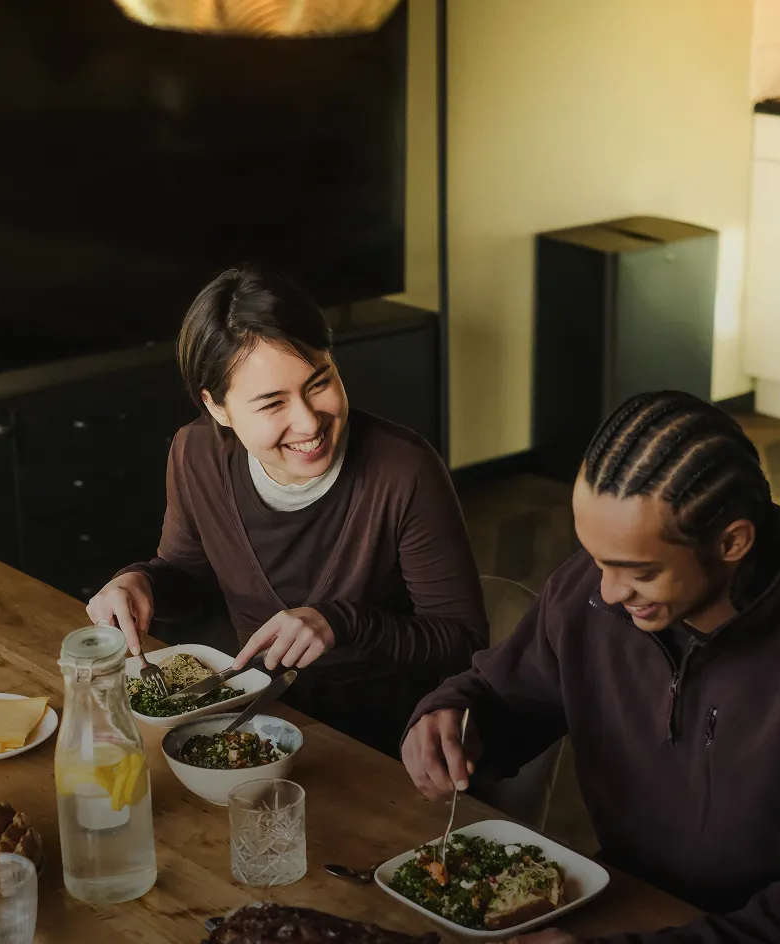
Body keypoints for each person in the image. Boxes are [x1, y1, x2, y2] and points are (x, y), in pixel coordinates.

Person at [402, 390, 780, 944]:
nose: (606, 591)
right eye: (596, 558)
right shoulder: (593, 593)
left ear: (732, 541)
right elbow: (499, 694)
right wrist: (451, 713)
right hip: (628, 919)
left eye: (635, 571)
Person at [87, 264, 487, 756]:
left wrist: (343, 622)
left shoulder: (404, 470)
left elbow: (462, 641)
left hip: (383, 744)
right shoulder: (196, 455)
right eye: (273, 403)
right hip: (254, 724)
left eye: (319, 383)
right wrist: (140, 583)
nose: (307, 421)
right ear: (218, 408)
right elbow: (188, 581)